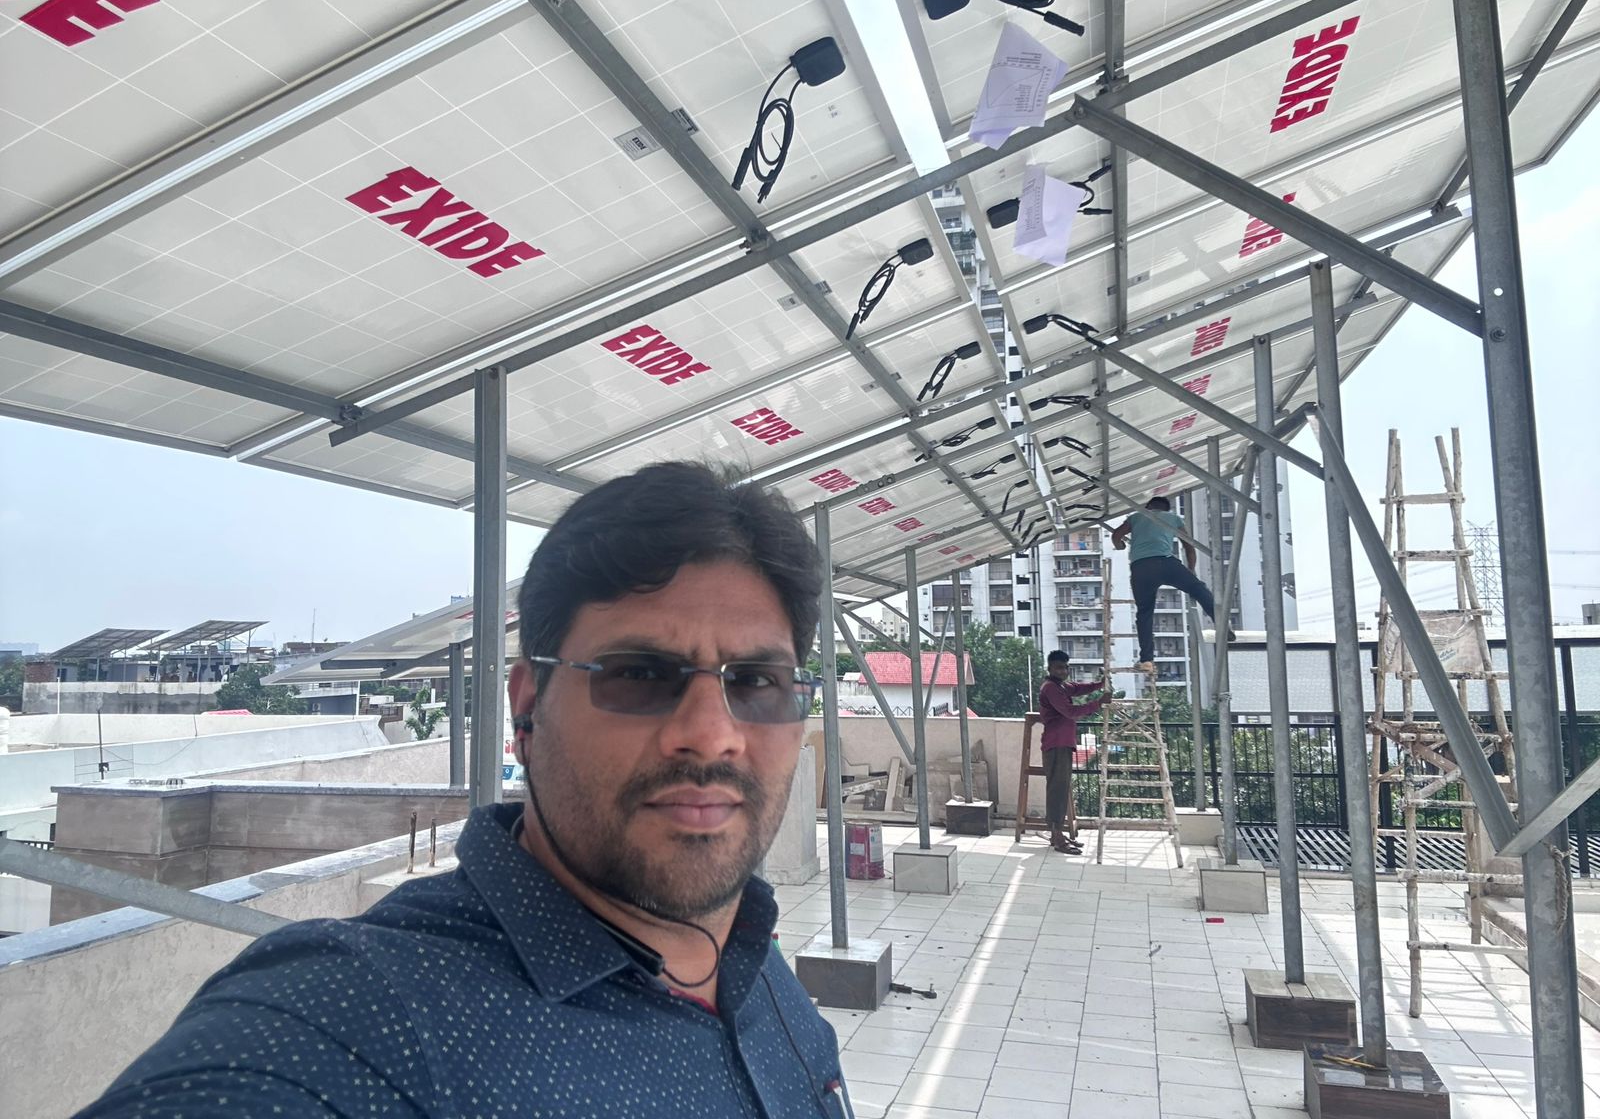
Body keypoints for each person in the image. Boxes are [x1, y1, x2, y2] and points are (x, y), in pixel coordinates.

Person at [76, 462, 853, 1118]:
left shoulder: (756, 965)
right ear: (526, 708)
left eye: (756, 680)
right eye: (641, 674)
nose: (713, 734)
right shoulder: (362, 1020)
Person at [1111, 496, 1217, 673]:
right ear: (1166, 509)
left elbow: (1116, 535)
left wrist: (1120, 545)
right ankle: (1220, 622)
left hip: (1141, 568)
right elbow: (1189, 546)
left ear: (1148, 507)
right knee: (1198, 588)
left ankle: (1146, 659)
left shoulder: (1136, 517)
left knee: (1144, 613)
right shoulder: (1174, 518)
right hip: (1166, 563)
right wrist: (1190, 571)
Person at [1037, 650, 1104, 855]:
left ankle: (1057, 833)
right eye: (1059, 667)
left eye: (1066, 667)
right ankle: (1057, 836)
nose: (1063, 671)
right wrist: (1099, 703)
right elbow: (1070, 712)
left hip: (1062, 744)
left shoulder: (1062, 686)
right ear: (1050, 668)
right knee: (1057, 790)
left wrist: (1100, 684)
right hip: (1056, 744)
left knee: (1060, 788)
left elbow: (1079, 688)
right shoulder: (1051, 688)